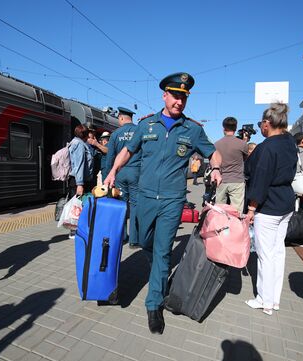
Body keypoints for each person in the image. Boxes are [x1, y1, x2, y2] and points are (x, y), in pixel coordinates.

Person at [104, 72, 222, 334]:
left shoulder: (192, 129)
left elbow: (213, 152)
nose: (180, 101)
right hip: (144, 198)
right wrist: (112, 171)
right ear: (164, 95)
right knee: (143, 241)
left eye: (184, 97)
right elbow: (127, 150)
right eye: (176, 96)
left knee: (162, 251)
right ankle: (160, 272)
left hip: (172, 200)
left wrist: (215, 167)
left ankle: (154, 304)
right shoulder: (145, 126)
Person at [244, 103, 297, 316]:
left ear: (267, 123)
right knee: (278, 253)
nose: (261, 128)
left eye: (261, 124)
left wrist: (251, 208)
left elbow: (261, 179)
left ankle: (264, 301)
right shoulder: (289, 143)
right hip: (286, 203)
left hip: (269, 206)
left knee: (265, 256)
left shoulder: (267, 147)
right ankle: (274, 299)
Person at [105, 107, 141, 249]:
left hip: (120, 173)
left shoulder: (115, 134)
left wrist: (109, 175)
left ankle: (122, 236)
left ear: (120, 117)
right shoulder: (139, 131)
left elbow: (110, 157)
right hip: (136, 172)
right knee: (135, 205)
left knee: (121, 204)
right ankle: (134, 239)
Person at [214, 117, 249, 213]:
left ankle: (220, 227)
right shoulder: (242, 144)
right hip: (237, 181)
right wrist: (244, 141)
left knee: (219, 210)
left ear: (223, 128)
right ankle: (235, 227)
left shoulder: (216, 144)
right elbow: (245, 159)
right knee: (236, 212)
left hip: (221, 180)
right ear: (236, 128)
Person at [67, 124, 94, 238]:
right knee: (77, 206)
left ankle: (76, 230)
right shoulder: (79, 144)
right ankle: (75, 231)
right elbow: (79, 165)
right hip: (79, 180)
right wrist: (80, 184)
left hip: (78, 179)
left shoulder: (75, 142)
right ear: (84, 134)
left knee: (77, 206)